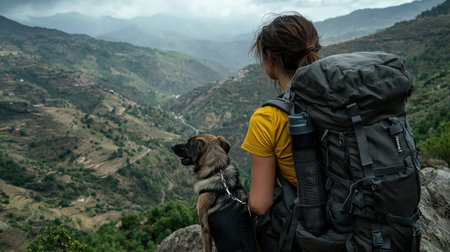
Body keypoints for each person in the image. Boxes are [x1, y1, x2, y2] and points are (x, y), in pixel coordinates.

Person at [242, 12, 322, 217]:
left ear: (269, 57)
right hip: (362, 210)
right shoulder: (346, 96)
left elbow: (260, 204)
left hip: (314, 224)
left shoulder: (267, 118)